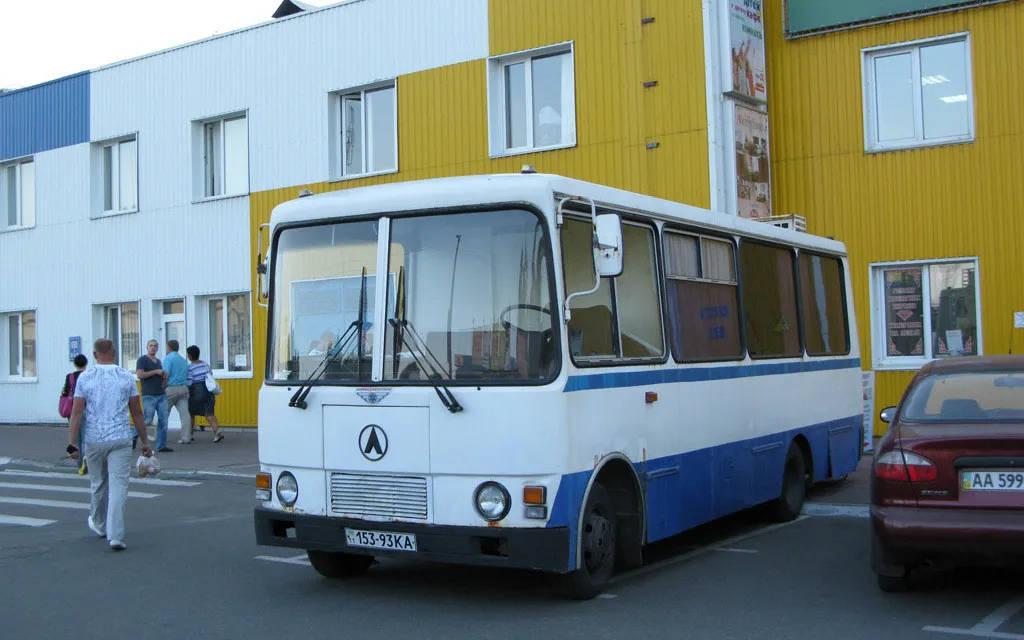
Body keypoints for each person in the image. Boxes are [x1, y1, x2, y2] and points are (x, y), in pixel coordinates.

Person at [67, 338, 153, 551]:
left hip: (94, 439)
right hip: (121, 439)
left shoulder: (85, 377)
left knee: (98, 483)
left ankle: (98, 523)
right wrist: (145, 441)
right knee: (119, 486)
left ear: (95, 355)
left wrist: (72, 444)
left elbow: (77, 412)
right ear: (114, 353)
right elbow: (137, 412)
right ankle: (116, 536)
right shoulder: (126, 376)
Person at [137, 339, 172, 453]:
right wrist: (156, 371)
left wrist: (165, 378)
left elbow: (162, 381)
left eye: (155, 346)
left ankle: (161, 445)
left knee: (163, 420)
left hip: (161, 394)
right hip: (149, 395)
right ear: (147, 347)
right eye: (151, 345)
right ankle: (133, 435)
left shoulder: (158, 361)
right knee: (147, 420)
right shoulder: (142, 360)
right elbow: (140, 374)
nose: (153, 347)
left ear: (157, 348)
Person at [186, 345, 224, 443]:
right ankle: (217, 431)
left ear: (189, 355)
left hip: (196, 392)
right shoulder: (205, 364)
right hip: (209, 392)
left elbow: (190, 382)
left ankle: (189, 435)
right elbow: (210, 375)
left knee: (190, 413)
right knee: (209, 413)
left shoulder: (190, 368)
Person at [61, 354, 89, 475]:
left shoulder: (70, 377)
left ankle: (79, 467)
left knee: (76, 439)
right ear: (86, 364)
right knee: (86, 438)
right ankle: (86, 462)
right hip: (86, 410)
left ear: (75, 364)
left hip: (72, 411)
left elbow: (64, 392)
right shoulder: (88, 376)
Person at [164, 339, 193, 444]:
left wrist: (162, 387)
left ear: (169, 348)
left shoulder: (168, 359)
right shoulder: (183, 360)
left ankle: (160, 437)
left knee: (164, 413)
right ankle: (186, 437)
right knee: (185, 414)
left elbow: (165, 375)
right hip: (183, 389)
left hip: (171, 389)